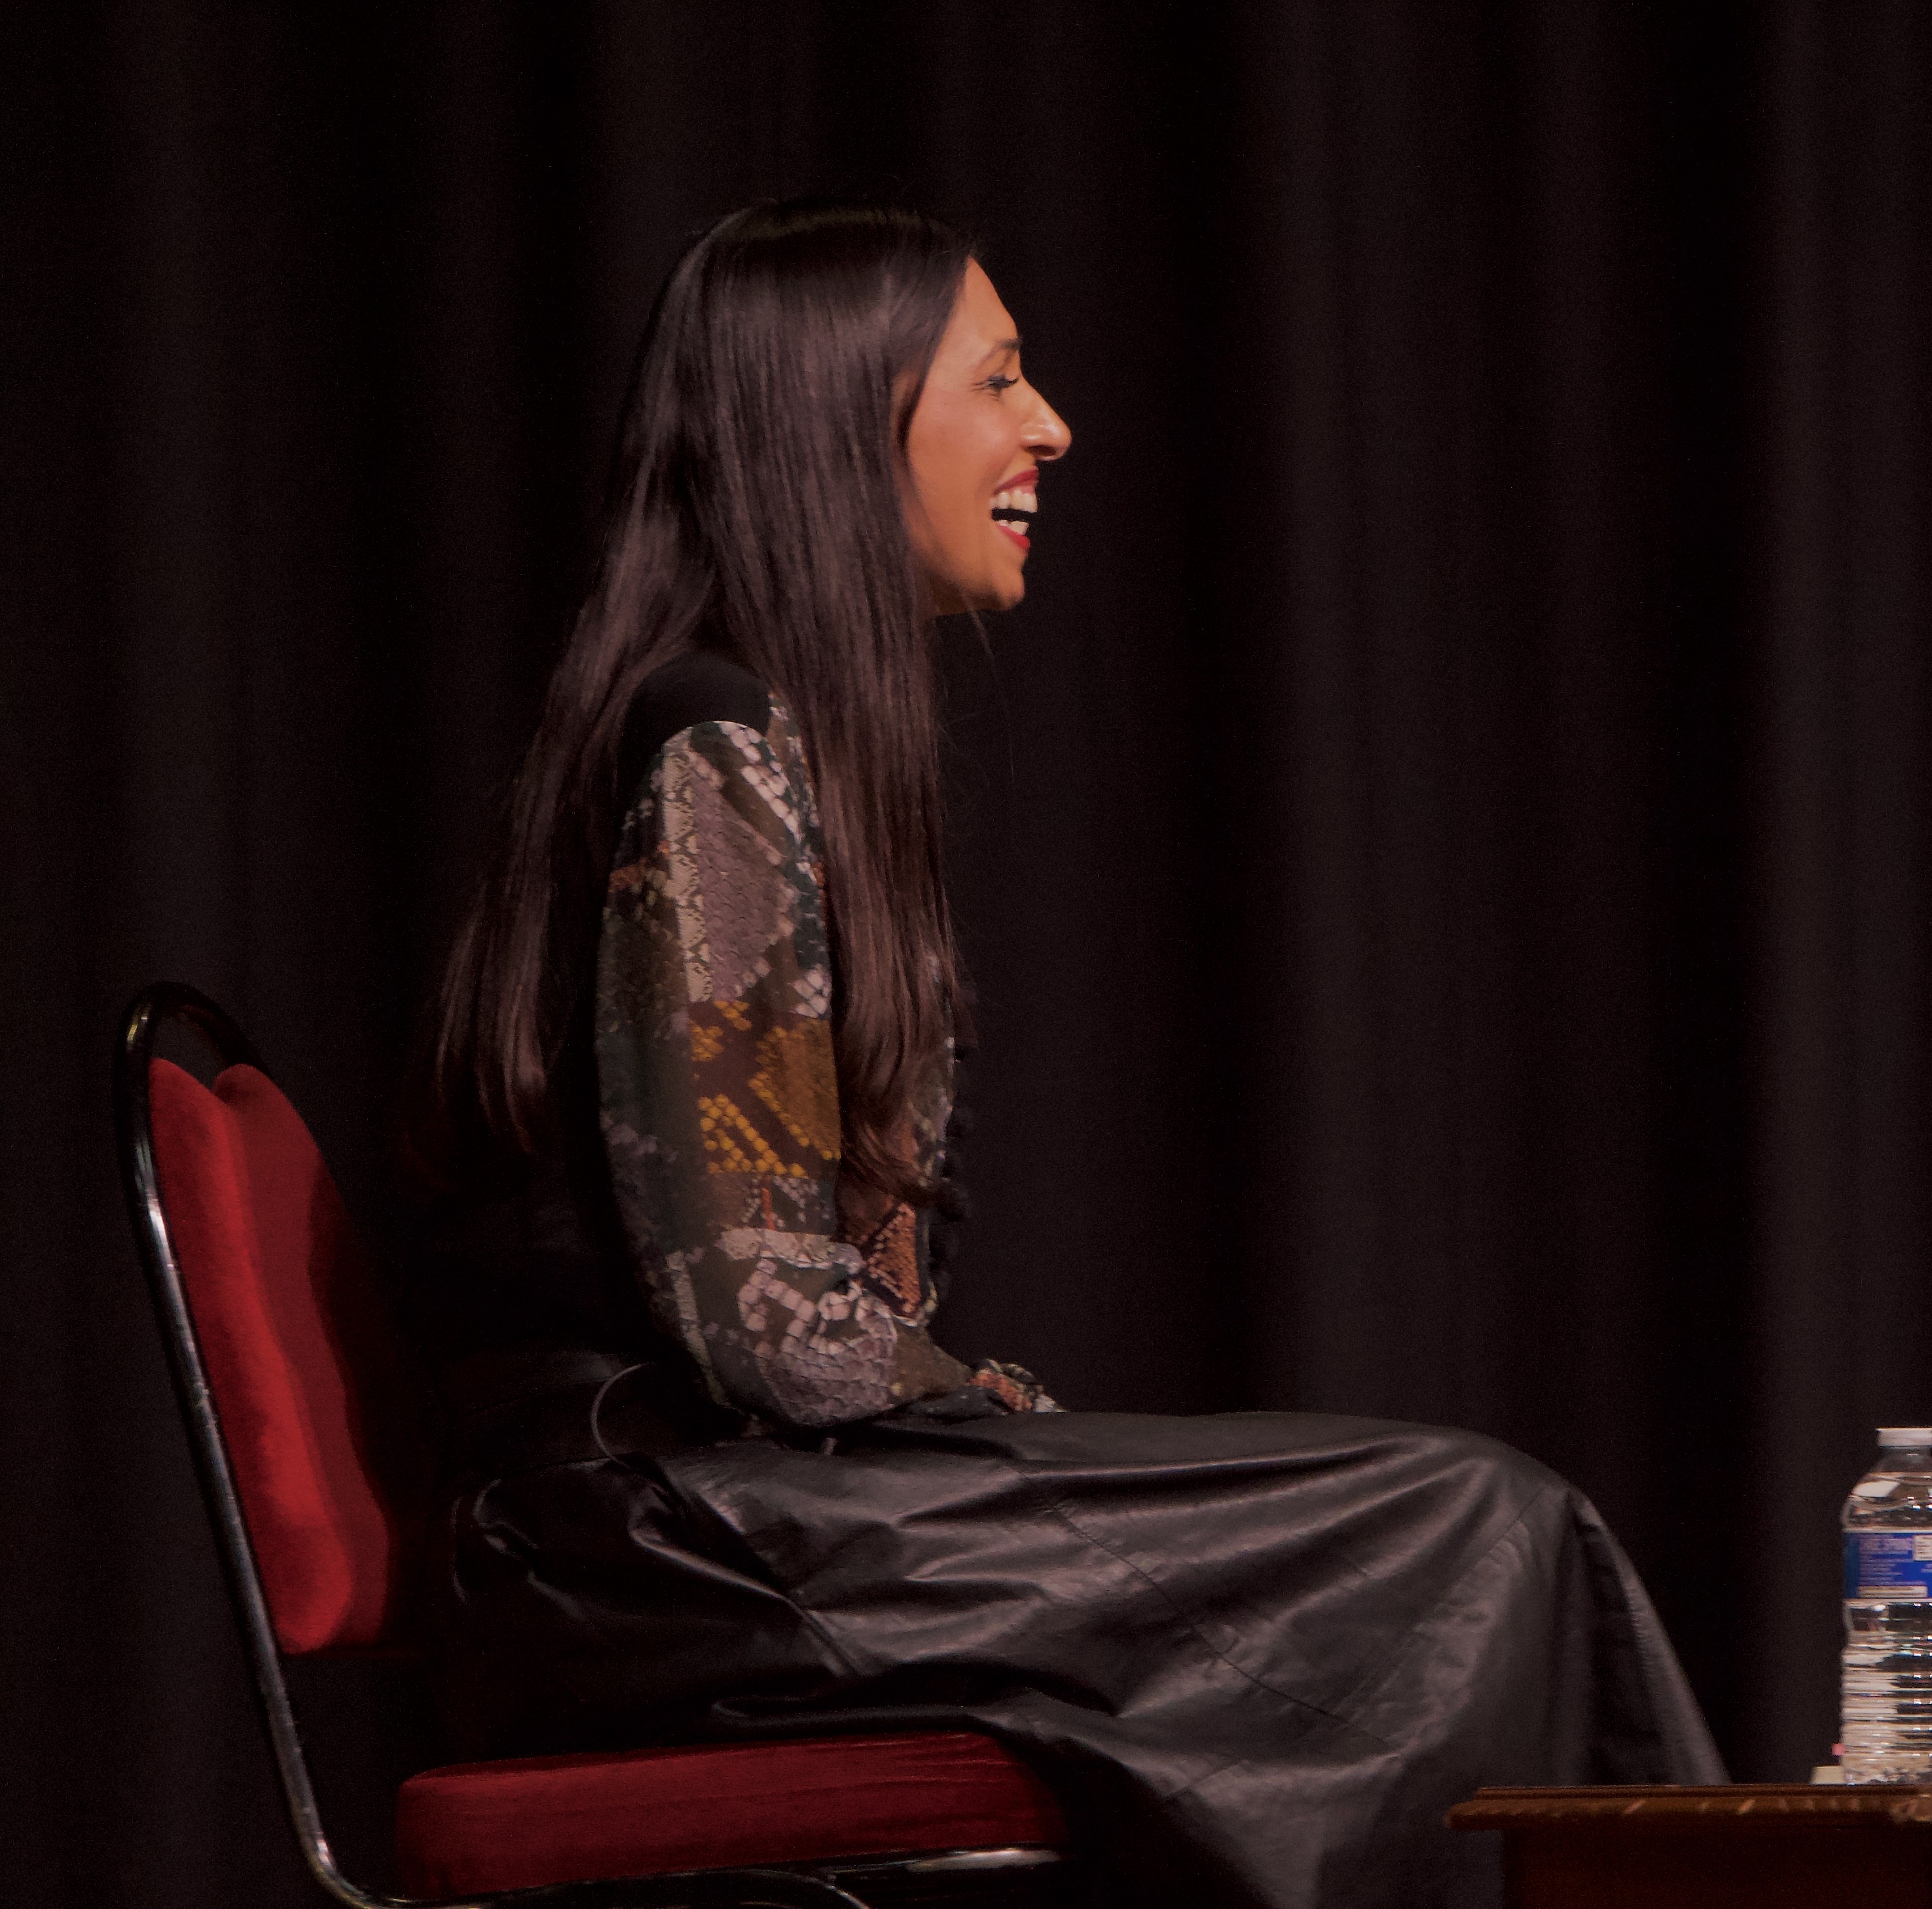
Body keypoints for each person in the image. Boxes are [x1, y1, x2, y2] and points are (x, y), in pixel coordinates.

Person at [399, 200, 1721, 1909]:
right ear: (842, 418)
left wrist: (966, 1407)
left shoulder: (787, 742)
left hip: (719, 1523)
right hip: (646, 1547)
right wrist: (986, 1406)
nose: (1051, 426)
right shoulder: (710, 739)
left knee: (1471, 1530)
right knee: (1478, 1527)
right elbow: (764, 1321)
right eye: (999, 379)